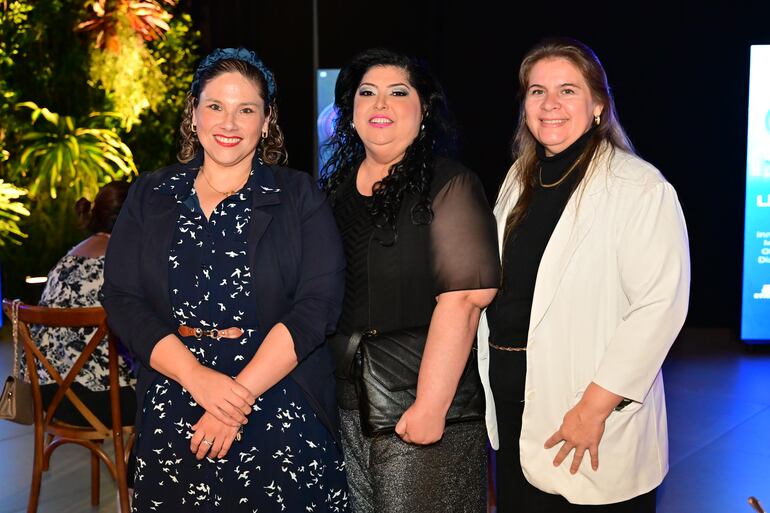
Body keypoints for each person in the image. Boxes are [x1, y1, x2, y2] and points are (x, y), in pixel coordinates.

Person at [102, 48, 349, 512]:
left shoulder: (299, 196)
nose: (229, 122)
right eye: (215, 105)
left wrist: (235, 400)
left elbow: (319, 305)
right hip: (175, 400)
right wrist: (199, 380)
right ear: (193, 112)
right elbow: (121, 297)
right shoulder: (151, 194)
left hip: (279, 398)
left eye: (246, 109)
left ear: (266, 120)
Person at [478, 37, 690, 512]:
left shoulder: (639, 187)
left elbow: (659, 307)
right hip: (516, 406)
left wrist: (593, 409)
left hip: (585, 417)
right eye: (537, 91)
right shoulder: (520, 179)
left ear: (598, 104)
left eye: (568, 90)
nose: (550, 104)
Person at [321, 48, 500, 513]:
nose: (380, 104)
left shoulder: (449, 184)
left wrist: (430, 406)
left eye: (398, 93)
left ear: (424, 111)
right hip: (344, 406)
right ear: (351, 113)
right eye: (367, 93)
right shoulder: (334, 191)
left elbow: (464, 301)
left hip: (417, 408)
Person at [29, 180, 136, 427]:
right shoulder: (122, 262)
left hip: (49, 396)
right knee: (176, 392)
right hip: (102, 400)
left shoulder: (68, 258)